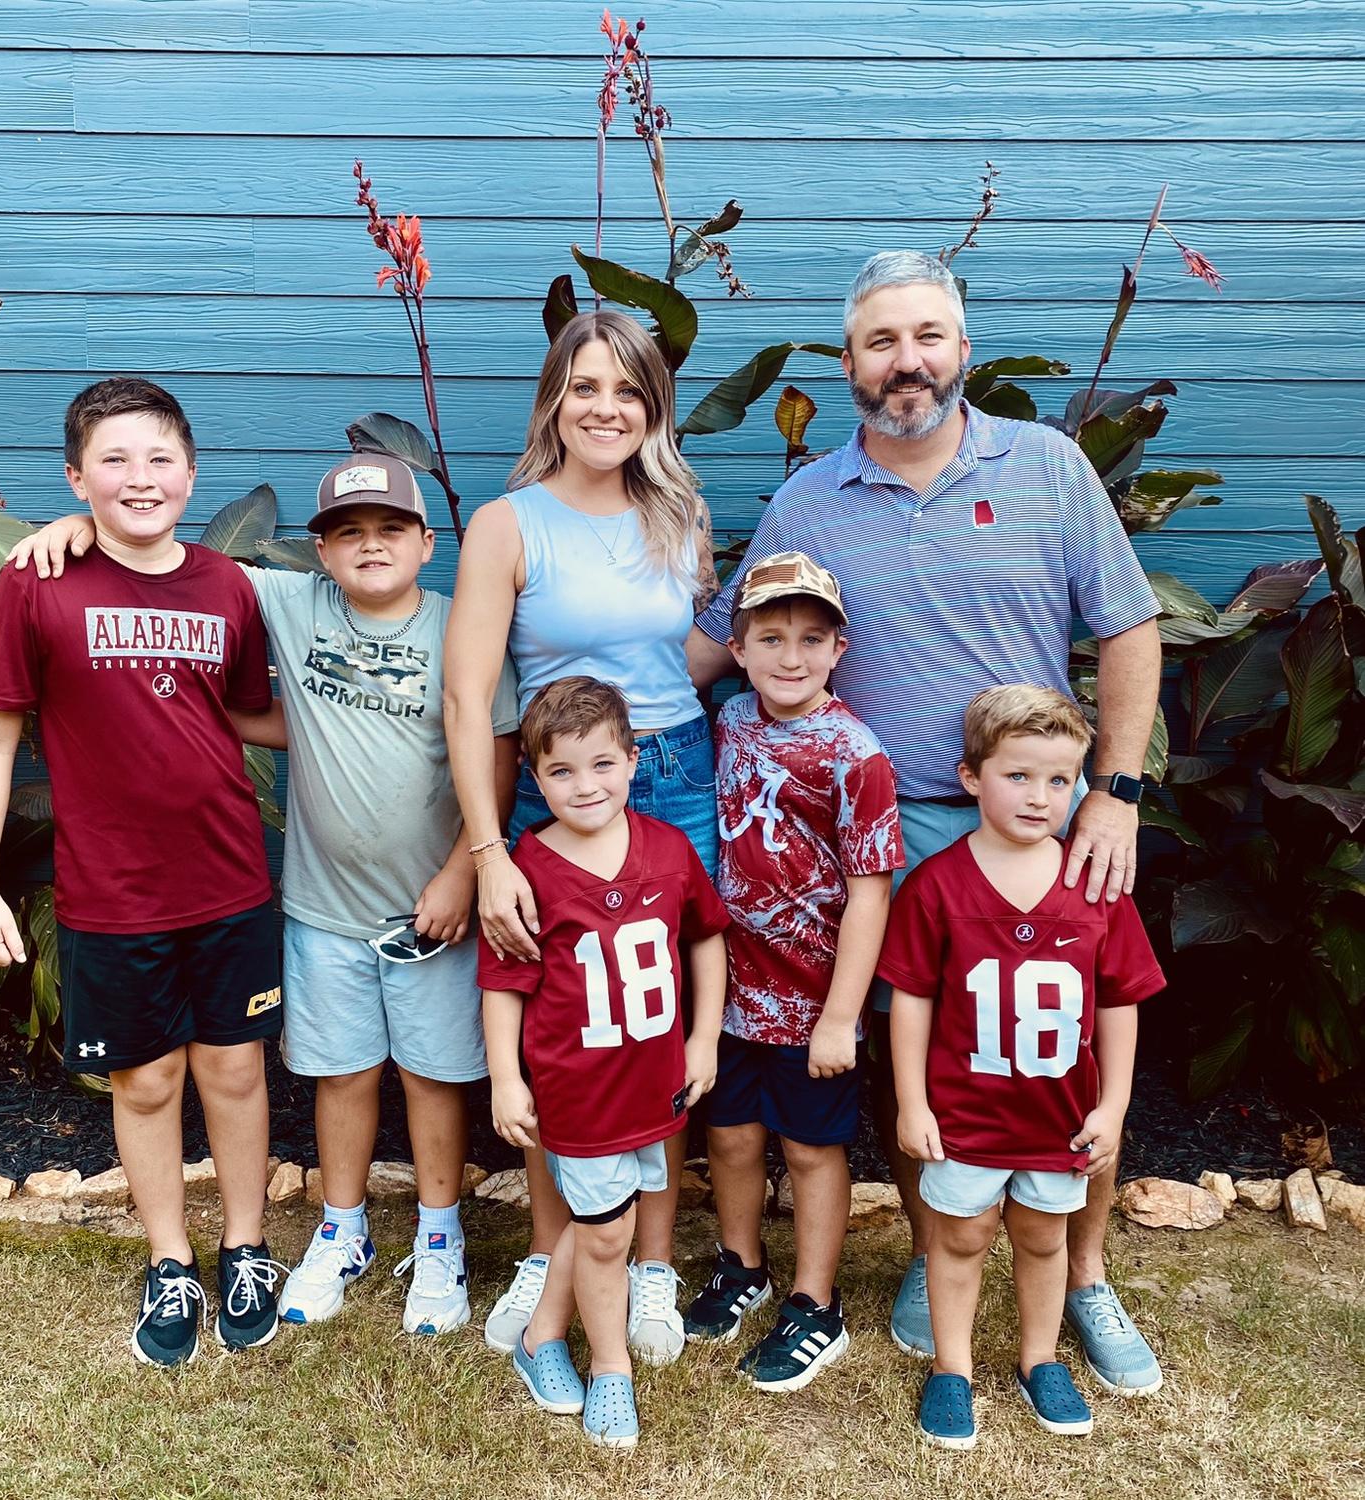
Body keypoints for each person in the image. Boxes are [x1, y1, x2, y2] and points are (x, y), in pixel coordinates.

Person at [685, 250, 1165, 1393]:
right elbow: (713, 642)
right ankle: (929, 1249)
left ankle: (1086, 1275)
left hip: (1037, 819)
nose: (907, 361)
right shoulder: (810, 501)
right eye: (882, 341)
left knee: (1066, 1041)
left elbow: (1130, 627)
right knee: (927, 1056)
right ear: (849, 363)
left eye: (927, 336)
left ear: (962, 350)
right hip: (885, 836)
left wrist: (1115, 791)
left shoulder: (1044, 465)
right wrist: (560, 716)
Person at [5, 452, 522, 1338]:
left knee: (434, 1077)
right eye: (347, 533)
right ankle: (342, 1229)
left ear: (428, 541)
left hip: (434, 909)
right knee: (341, 1073)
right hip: (322, 907)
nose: (370, 546)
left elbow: (498, 749)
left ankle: (440, 1237)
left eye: (390, 528)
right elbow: (159, 554)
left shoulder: (457, 626)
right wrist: (82, 525)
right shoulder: (285, 601)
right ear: (319, 552)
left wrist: (463, 873)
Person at [0, 377, 286, 1366]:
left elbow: (246, 712)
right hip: (112, 893)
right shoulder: (37, 582)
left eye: (159, 458)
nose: (140, 478)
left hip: (228, 879)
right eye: (114, 460)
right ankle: (170, 1260)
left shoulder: (227, 586)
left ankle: (246, 1246)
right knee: (145, 1082)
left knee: (236, 1068)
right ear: (76, 477)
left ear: (191, 472)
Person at [445, 308, 722, 1362]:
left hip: (671, 772)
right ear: (554, 401)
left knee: (651, 1015)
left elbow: (681, 657)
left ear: (654, 408)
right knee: (562, 1021)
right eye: (586, 387)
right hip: (555, 785)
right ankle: (549, 1246)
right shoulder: (508, 524)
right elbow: (470, 699)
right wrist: (487, 852)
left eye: (629, 390)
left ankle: (649, 1264)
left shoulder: (679, 515)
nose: (607, 409)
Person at [875, 685, 1164, 1447]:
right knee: (960, 1239)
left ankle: (1041, 1360)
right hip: (965, 1113)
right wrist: (913, 1103)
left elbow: (1120, 1003)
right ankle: (952, 1369)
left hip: (1058, 1116)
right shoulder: (936, 885)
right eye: (1018, 776)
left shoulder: (1093, 886)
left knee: (1042, 1238)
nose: (1040, 797)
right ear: (972, 777)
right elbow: (911, 1000)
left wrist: (1113, 1107)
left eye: (1059, 780)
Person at [478, 677, 728, 1448]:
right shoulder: (529, 869)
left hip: (653, 1081)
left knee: (604, 1225)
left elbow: (706, 938)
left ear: (633, 760)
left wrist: (704, 1038)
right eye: (561, 771)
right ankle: (610, 1367)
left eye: (601, 764)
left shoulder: (669, 848)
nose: (585, 786)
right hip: (578, 1088)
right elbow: (503, 982)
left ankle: (540, 1337)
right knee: (608, 1232)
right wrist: (507, 1077)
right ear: (534, 774)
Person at [682, 553, 901, 1392]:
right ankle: (742, 1264)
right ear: (737, 649)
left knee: (811, 1149)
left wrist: (843, 1015)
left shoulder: (855, 753)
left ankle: (815, 1301)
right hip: (730, 991)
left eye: (812, 639)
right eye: (769, 637)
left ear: (839, 649)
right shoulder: (730, 718)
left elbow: (871, 891)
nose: (791, 656)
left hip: (813, 1001)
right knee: (731, 1136)